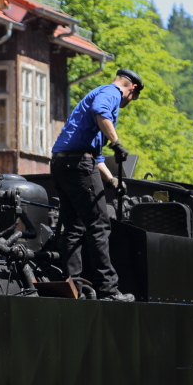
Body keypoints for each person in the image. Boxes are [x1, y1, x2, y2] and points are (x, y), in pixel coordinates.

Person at [49, 68, 143, 302]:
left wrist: (111, 179)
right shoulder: (111, 93)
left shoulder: (95, 97)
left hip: (61, 164)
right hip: (78, 164)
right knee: (99, 225)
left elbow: (96, 157)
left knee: (73, 227)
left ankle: (72, 288)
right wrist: (117, 143)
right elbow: (101, 112)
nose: (128, 103)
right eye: (132, 99)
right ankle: (107, 290)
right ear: (132, 89)